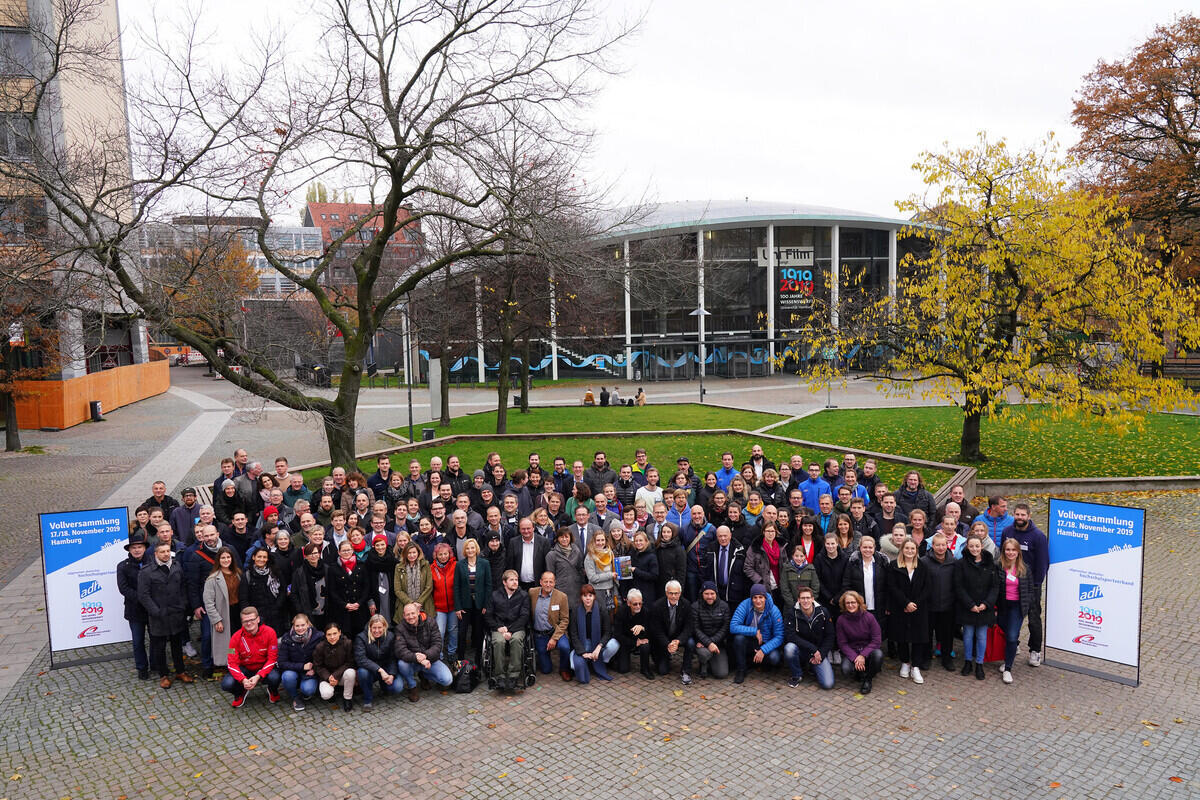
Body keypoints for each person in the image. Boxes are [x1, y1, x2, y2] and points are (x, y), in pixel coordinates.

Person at [138, 541, 194, 689]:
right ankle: (163, 675)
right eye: (162, 552)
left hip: (176, 613)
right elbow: (144, 595)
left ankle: (180, 671)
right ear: (155, 553)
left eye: (168, 551)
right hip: (158, 615)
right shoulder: (146, 571)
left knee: (177, 644)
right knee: (159, 647)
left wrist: (183, 605)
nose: (166, 554)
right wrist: (155, 611)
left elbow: (183, 587)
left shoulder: (176, 566)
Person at [1002, 502, 1049, 668]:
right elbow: (1003, 555)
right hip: (1010, 585)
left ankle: (1035, 650)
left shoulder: (1038, 536)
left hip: (1031, 587)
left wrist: (1036, 585)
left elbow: (1043, 563)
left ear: (1029, 516)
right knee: (1009, 617)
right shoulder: (1007, 532)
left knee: (1034, 619)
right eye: (1017, 514)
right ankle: (1013, 645)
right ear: (1013, 515)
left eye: (1023, 515)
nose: (1020, 518)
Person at [953, 535, 998, 680]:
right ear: (967, 547)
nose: (974, 549)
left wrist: (986, 603)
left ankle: (979, 663)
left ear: (982, 547)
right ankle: (967, 662)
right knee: (967, 635)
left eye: (977, 546)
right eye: (971, 546)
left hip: (985, 607)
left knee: (981, 636)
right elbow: (958, 586)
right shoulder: (960, 564)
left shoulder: (991, 564)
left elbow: (995, 587)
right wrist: (970, 604)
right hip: (968, 607)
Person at [888, 538, 932, 685]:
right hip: (900, 607)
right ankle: (905, 662)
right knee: (902, 636)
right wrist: (905, 603)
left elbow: (927, 588)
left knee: (918, 638)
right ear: (902, 550)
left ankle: (916, 666)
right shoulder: (894, 566)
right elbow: (892, 587)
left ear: (916, 550)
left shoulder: (923, 566)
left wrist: (915, 603)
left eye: (912, 549)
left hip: (919, 608)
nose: (910, 551)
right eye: (907, 548)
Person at [220, 605, 281, 707]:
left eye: (252, 619)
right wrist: (242, 679)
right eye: (245, 621)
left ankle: (273, 690)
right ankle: (240, 692)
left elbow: (272, 659)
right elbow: (231, 663)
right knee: (227, 684)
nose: (248, 623)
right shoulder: (235, 637)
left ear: (258, 619)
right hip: (245, 669)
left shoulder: (270, 632)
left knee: (275, 677)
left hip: (264, 668)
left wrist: (258, 675)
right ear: (242, 622)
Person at [485, 570, 531, 692]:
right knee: (498, 642)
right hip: (499, 628)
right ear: (504, 582)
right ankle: (499, 676)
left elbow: (524, 616)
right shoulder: (494, 595)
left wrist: (510, 630)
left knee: (516, 640)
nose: (515, 582)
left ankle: (513, 676)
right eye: (511, 580)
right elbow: (488, 615)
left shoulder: (523, 595)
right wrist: (498, 627)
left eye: (516, 580)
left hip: (517, 628)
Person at [729, 583, 784, 684]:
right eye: (755, 597)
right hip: (751, 639)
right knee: (738, 639)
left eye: (761, 597)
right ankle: (741, 669)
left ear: (765, 598)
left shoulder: (774, 611)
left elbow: (779, 636)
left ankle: (759, 662)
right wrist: (754, 631)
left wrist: (763, 650)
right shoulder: (745, 605)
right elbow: (733, 626)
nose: (758, 600)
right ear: (751, 598)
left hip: (766, 642)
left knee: (774, 658)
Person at [783, 585, 835, 689]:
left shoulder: (823, 612)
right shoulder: (792, 613)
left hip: (819, 652)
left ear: (812, 599)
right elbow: (790, 636)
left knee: (828, 684)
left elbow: (830, 636)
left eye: (808, 598)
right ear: (798, 600)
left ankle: (813, 666)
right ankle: (797, 675)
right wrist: (813, 649)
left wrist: (821, 653)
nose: (805, 601)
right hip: (801, 650)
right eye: (803, 598)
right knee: (789, 648)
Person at [996, 537, 1033, 685]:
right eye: (1008, 549)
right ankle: (1007, 657)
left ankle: (1008, 669)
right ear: (1004, 551)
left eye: (1013, 550)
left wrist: (1026, 606)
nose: (1010, 552)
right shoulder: (998, 566)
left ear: (1018, 552)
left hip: (1017, 607)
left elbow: (1030, 590)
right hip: (1002, 607)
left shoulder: (1025, 569)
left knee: (1012, 637)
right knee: (1005, 633)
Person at [922, 532, 959, 671]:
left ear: (947, 545)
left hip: (948, 606)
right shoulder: (924, 561)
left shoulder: (953, 562)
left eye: (943, 545)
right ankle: (926, 658)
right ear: (933, 546)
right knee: (927, 633)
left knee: (947, 634)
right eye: (938, 545)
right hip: (929, 605)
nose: (941, 548)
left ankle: (947, 658)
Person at [202, 546, 242, 672]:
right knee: (228, 641)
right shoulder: (212, 579)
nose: (226, 560)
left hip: (237, 612)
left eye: (228, 557)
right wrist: (216, 620)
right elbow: (208, 602)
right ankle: (229, 664)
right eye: (223, 557)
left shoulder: (238, 574)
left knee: (238, 640)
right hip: (224, 614)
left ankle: (238, 662)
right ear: (218, 560)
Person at [117, 532, 151, 679]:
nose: (137, 550)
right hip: (134, 609)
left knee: (156, 639)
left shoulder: (152, 562)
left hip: (152, 608)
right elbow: (123, 588)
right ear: (129, 550)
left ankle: (156, 664)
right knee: (138, 641)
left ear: (144, 548)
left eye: (139, 547)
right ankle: (142, 668)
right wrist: (141, 598)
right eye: (134, 548)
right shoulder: (123, 566)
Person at [836, 591, 883, 694]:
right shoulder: (841, 620)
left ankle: (868, 679)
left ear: (858, 603)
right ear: (844, 605)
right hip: (852, 652)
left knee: (878, 655)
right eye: (847, 603)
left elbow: (876, 640)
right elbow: (842, 643)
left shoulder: (869, 617)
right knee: (846, 670)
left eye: (853, 602)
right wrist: (855, 657)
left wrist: (862, 655)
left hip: (868, 651)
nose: (851, 605)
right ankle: (859, 671)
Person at [568, 584, 618, 683]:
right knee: (574, 666)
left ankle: (601, 660)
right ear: (581, 597)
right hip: (584, 643)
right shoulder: (575, 610)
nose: (588, 599)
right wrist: (582, 652)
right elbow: (573, 634)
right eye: (585, 596)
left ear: (594, 596)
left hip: (598, 642)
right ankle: (587, 658)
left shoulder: (601, 609)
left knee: (614, 644)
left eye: (590, 596)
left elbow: (608, 632)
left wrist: (599, 646)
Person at [649, 579, 695, 683]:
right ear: (666, 593)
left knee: (691, 642)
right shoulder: (657, 606)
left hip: (679, 637)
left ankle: (686, 671)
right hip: (664, 639)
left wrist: (678, 641)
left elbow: (689, 627)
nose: (674, 596)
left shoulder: (686, 604)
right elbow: (656, 630)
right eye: (671, 593)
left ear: (680, 593)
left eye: (676, 593)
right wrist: (667, 644)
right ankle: (665, 656)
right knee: (662, 671)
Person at [354, 614, 402, 711]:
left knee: (397, 687)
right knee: (362, 672)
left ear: (384, 627)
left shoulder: (390, 636)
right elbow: (361, 659)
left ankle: (384, 686)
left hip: (386, 667)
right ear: (370, 627)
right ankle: (367, 699)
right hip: (370, 670)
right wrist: (380, 670)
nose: (376, 631)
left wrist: (392, 674)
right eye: (374, 628)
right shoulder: (361, 637)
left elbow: (393, 658)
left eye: (379, 627)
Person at [454, 537, 491, 662]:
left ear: (476, 549)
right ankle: (460, 662)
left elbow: (488, 585)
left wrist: (486, 604)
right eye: (468, 548)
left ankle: (478, 662)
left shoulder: (484, 563)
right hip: (465, 605)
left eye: (472, 548)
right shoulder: (459, 565)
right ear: (465, 550)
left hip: (480, 605)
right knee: (462, 634)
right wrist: (458, 607)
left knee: (479, 633)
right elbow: (456, 586)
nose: (470, 550)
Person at [278, 613, 324, 711]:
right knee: (287, 677)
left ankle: (304, 692)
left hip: (310, 671)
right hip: (293, 670)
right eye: (297, 626)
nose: (300, 628)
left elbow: (323, 657)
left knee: (308, 690)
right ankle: (295, 697)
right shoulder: (286, 639)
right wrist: (302, 666)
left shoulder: (318, 636)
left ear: (308, 624)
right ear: (293, 626)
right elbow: (281, 662)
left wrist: (315, 669)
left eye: (303, 625)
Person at [327, 539, 371, 639]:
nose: (346, 553)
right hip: (342, 610)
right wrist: (345, 605)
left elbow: (366, 587)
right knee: (346, 637)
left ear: (352, 551)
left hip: (360, 608)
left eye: (348, 550)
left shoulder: (361, 566)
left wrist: (359, 603)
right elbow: (332, 591)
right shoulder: (333, 568)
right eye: (343, 551)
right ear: (339, 552)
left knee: (361, 636)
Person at [841, 535, 888, 629]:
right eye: (865, 547)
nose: (868, 550)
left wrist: (887, 604)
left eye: (870, 547)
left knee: (876, 632)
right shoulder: (852, 563)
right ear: (860, 548)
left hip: (878, 605)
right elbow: (846, 584)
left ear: (874, 548)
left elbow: (887, 585)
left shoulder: (882, 563)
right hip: (859, 606)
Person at [701, 525, 748, 611]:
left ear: (730, 535)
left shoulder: (739, 550)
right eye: (720, 536)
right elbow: (704, 570)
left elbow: (744, 573)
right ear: (716, 536)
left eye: (725, 536)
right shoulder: (710, 548)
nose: (723, 538)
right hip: (716, 591)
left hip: (734, 593)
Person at [690, 581, 731, 679]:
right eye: (706, 594)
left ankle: (711, 661)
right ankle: (703, 663)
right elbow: (695, 628)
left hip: (718, 644)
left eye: (712, 593)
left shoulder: (724, 606)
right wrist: (708, 643)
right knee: (704, 653)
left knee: (722, 674)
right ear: (702, 594)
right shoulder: (695, 607)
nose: (709, 596)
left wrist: (711, 642)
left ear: (716, 594)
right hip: (701, 643)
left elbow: (725, 628)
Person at [312, 621, 357, 712]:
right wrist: (329, 678)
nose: (332, 637)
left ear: (339, 632)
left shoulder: (347, 643)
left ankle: (347, 698)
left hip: (342, 675)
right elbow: (318, 666)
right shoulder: (320, 647)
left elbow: (350, 662)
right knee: (326, 694)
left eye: (335, 633)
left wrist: (336, 675)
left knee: (351, 673)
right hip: (327, 677)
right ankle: (332, 694)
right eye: (329, 634)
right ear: (325, 635)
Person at [244, 547, 287, 636]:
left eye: (264, 557)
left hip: (276, 616)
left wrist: (278, 605)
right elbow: (244, 598)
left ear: (267, 559)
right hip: (256, 617)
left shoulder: (275, 572)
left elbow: (283, 590)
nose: (262, 559)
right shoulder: (247, 575)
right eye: (259, 557)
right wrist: (249, 617)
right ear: (253, 557)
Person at [613, 588, 655, 678]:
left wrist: (643, 627)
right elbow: (617, 634)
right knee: (623, 669)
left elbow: (652, 631)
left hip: (640, 638)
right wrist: (634, 643)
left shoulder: (645, 611)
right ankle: (614, 660)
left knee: (646, 645)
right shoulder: (621, 612)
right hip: (625, 641)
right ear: (628, 603)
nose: (638, 606)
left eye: (640, 603)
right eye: (635, 604)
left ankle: (645, 669)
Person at [429, 542, 458, 660]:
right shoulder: (431, 568)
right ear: (436, 555)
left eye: (445, 554)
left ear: (449, 554)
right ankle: (439, 655)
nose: (443, 556)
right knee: (439, 632)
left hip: (453, 606)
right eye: (440, 554)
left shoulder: (456, 565)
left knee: (453, 630)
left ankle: (452, 653)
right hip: (439, 607)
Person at [291, 543, 330, 631]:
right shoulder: (299, 573)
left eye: (316, 553)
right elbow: (294, 594)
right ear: (306, 556)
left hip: (326, 612)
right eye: (310, 554)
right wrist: (301, 610)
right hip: (308, 613)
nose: (313, 556)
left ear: (319, 554)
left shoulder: (327, 569)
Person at [545, 527, 585, 608]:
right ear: (557, 538)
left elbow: (580, 569)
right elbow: (550, 575)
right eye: (561, 537)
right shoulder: (551, 555)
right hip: (560, 590)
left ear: (570, 538)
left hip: (576, 589)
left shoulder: (576, 551)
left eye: (566, 537)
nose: (564, 539)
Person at [394, 542, 434, 619]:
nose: (412, 555)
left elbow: (429, 586)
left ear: (418, 553)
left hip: (424, 605)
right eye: (409, 553)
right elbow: (398, 590)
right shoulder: (399, 567)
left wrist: (419, 602)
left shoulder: (425, 565)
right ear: (405, 554)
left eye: (414, 552)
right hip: (404, 606)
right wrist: (411, 604)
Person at [779, 540, 821, 612]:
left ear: (805, 556)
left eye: (801, 556)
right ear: (792, 556)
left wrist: (807, 602)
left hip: (807, 605)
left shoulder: (811, 568)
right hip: (790, 606)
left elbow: (815, 588)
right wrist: (793, 604)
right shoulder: (786, 568)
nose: (799, 558)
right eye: (796, 556)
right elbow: (784, 588)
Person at [583, 530, 618, 614]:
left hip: (610, 590)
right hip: (597, 591)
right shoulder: (590, 556)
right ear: (594, 541)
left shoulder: (610, 553)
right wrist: (610, 575)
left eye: (602, 540)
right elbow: (592, 578)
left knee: (610, 618)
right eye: (598, 540)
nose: (600, 543)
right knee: (600, 617)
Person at [629, 530, 660, 604]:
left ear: (646, 542)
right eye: (636, 541)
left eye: (641, 540)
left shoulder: (651, 556)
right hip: (634, 592)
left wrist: (636, 571)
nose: (638, 543)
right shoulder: (632, 555)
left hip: (647, 593)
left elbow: (654, 576)